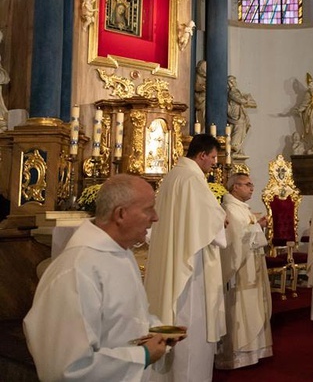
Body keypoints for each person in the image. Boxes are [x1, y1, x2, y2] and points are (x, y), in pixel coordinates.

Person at [24, 174, 182, 381]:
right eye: (148, 209)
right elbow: (67, 367)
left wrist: (157, 331)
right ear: (121, 214)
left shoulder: (120, 254)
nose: (155, 217)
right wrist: (142, 355)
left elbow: (121, 317)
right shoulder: (76, 270)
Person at [145, 134, 228, 382]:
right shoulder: (192, 178)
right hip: (192, 264)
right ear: (201, 155)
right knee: (192, 327)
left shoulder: (173, 175)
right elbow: (210, 222)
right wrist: (222, 220)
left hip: (176, 254)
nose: (214, 162)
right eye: (213, 157)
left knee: (176, 315)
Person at [215, 172, 273, 369]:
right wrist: (257, 226)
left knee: (253, 306)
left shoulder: (242, 208)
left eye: (251, 184)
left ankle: (254, 350)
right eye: (247, 184)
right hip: (239, 270)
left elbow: (248, 234)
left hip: (251, 265)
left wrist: (257, 226)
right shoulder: (230, 209)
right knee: (242, 308)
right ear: (235, 187)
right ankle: (238, 354)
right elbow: (235, 240)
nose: (252, 188)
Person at [227, 75, 257, 156]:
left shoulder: (236, 91)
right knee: (238, 132)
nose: (235, 83)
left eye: (234, 81)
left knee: (241, 132)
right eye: (233, 81)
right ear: (230, 83)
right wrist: (247, 101)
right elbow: (240, 100)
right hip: (236, 116)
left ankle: (237, 149)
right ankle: (234, 150)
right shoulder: (232, 92)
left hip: (240, 116)